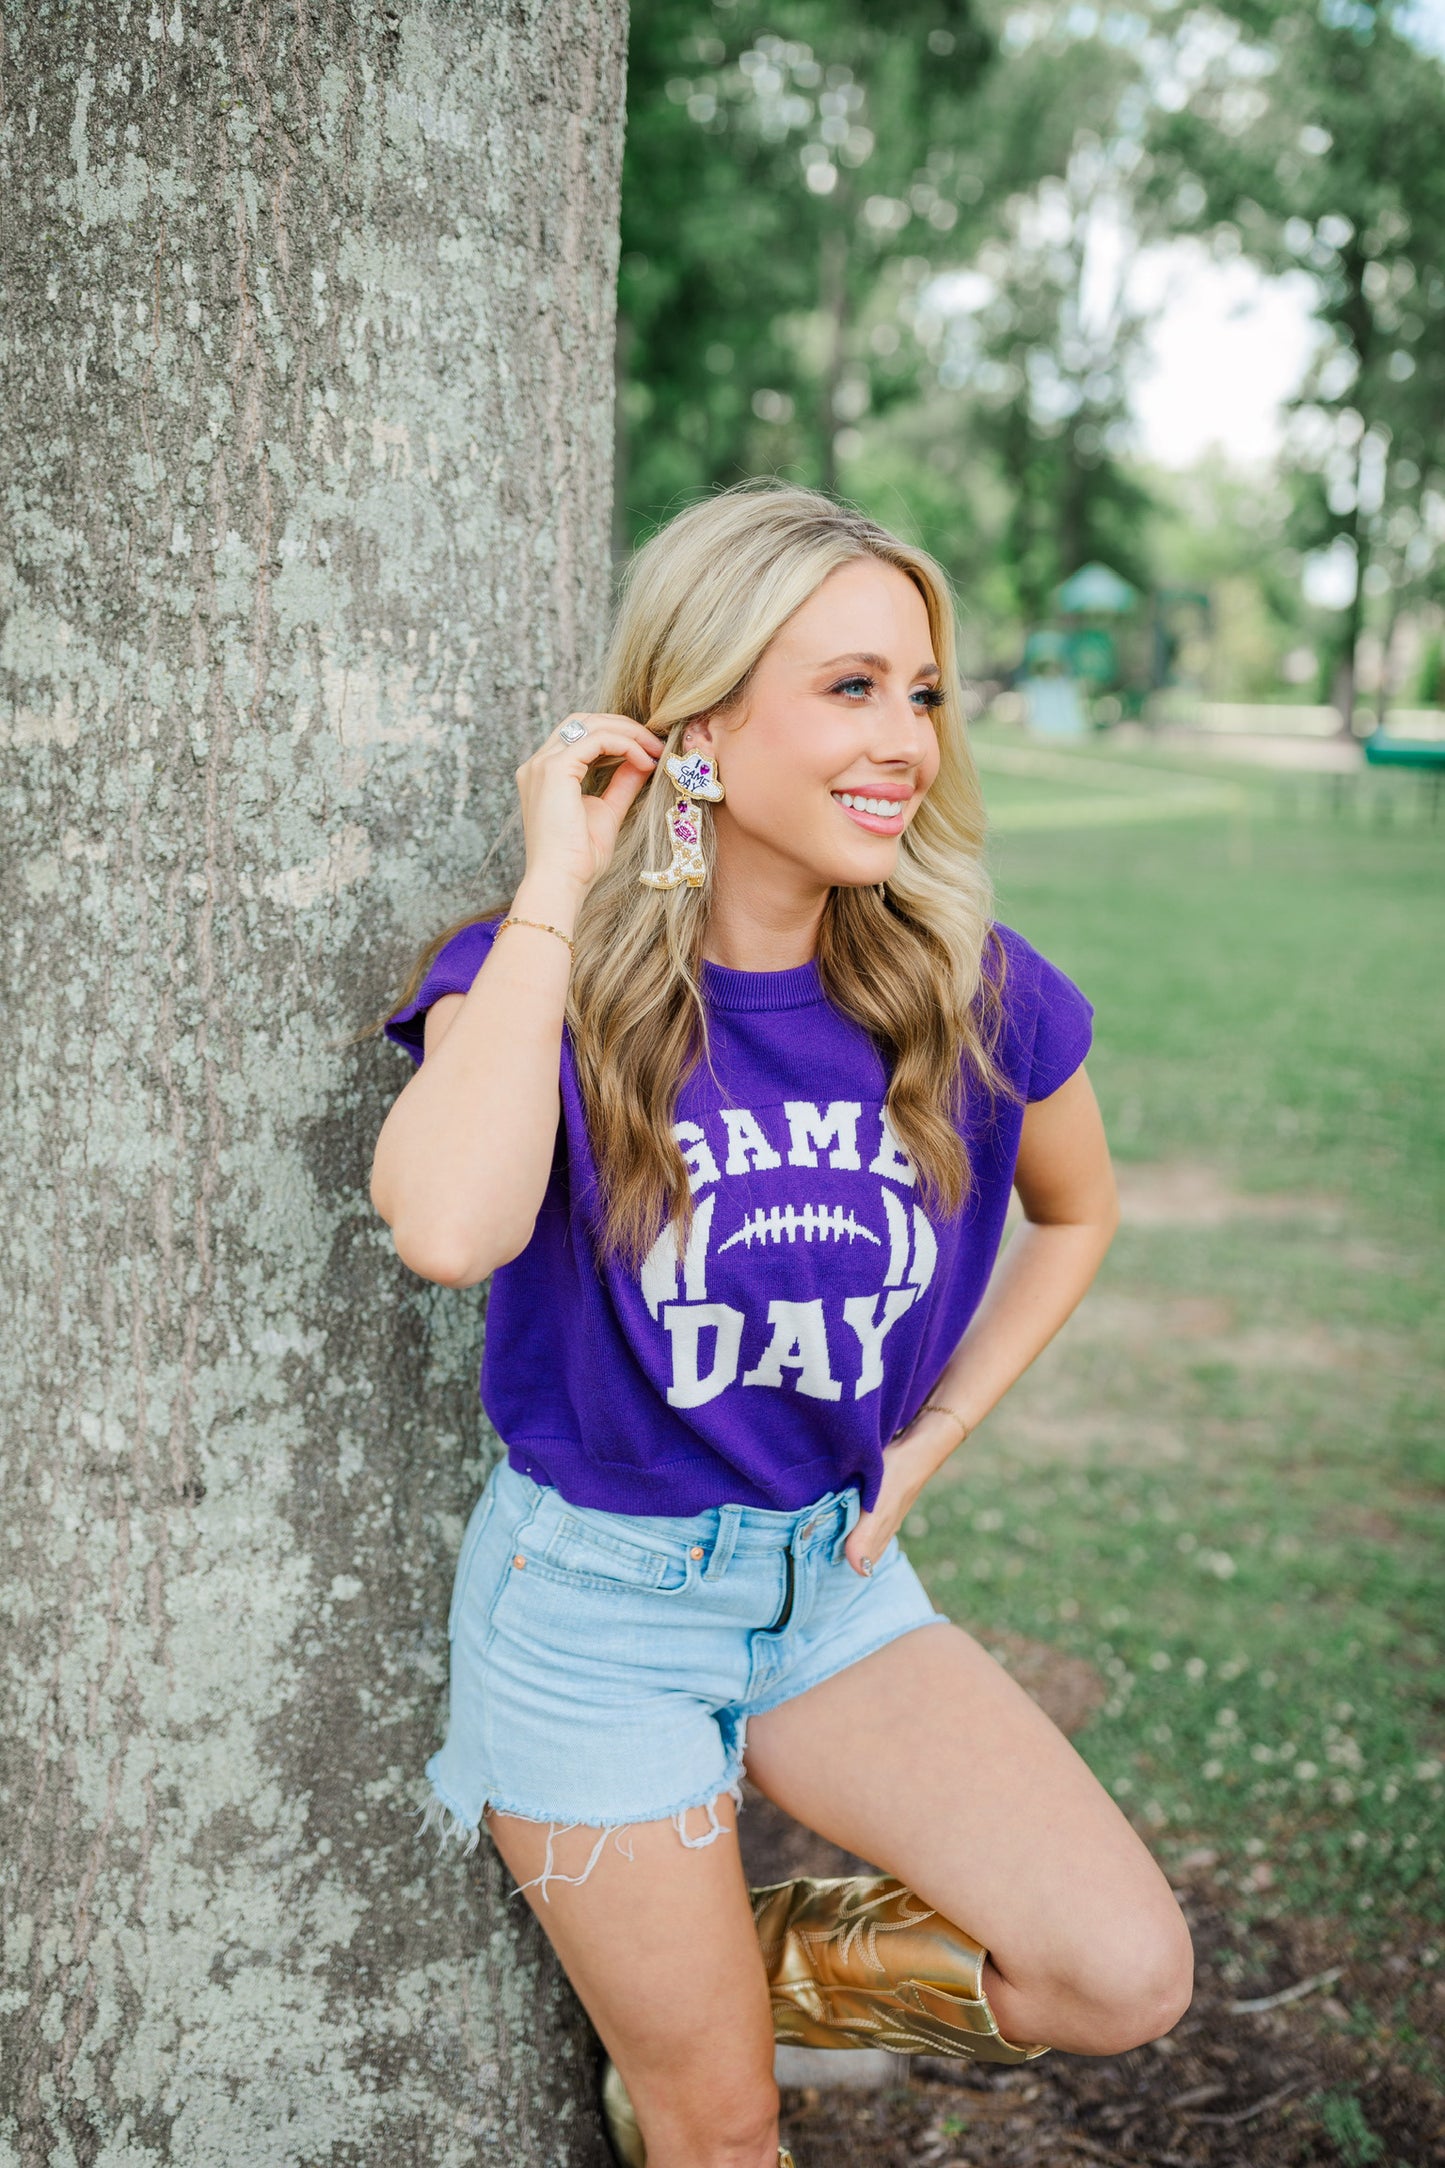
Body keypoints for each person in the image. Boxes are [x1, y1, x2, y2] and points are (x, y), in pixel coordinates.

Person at [368, 481, 1193, 2168]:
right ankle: (683, 2040)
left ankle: (689, 1984)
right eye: (846, 689)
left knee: (1116, 1975)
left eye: (921, 690)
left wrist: (930, 1443)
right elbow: (448, 1231)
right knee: (721, 2132)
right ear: (697, 726)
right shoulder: (540, 989)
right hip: (594, 1616)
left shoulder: (963, 983)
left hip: (837, 1588)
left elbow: (1078, 1211)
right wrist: (555, 881)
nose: (905, 738)